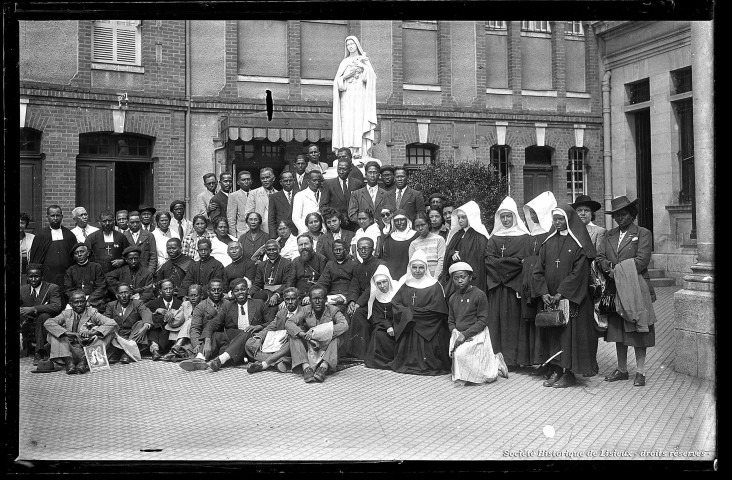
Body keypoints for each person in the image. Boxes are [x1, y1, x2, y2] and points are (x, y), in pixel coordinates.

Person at [532, 205, 597, 388]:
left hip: (570, 299)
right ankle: (557, 370)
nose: (558, 222)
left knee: (569, 336)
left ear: (568, 220)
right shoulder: (548, 243)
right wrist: (544, 292)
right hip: (550, 299)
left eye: (561, 219)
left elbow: (579, 273)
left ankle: (569, 373)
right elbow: (538, 270)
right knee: (554, 334)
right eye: (555, 219)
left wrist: (561, 293)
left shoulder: (578, 244)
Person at [596, 196, 656, 387]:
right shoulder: (609, 235)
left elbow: (642, 260)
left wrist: (617, 271)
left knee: (638, 328)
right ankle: (622, 369)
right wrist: (608, 268)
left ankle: (640, 371)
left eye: (623, 214)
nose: (620, 218)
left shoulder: (643, 233)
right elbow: (600, 257)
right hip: (615, 288)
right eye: (616, 215)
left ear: (632, 214)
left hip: (636, 287)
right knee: (618, 330)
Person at [484, 196, 529, 368]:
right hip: (498, 288)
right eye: (502, 216)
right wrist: (512, 263)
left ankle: (514, 359)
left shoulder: (524, 237)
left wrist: (503, 265)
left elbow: (523, 261)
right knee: (496, 322)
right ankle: (496, 357)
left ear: (515, 217)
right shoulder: (494, 238)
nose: (505, 219)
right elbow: (488, 260)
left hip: (513, 288)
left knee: (513, 323)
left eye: (509, 216)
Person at [389, 249, 451, 376]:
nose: (417, 271)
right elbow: (395, 303)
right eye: (414, 267)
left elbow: (437, 310)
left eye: (421, 268)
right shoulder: (406, 284)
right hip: (410, 324)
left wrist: (412, 314)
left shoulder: (434, 285)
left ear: (426, 268)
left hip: (429, 327)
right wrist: (407, 313)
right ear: (410, 268)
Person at [447, 262, 508, 384]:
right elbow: (451, 320)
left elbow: (483, 321)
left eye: (463, 277)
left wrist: (466, 335)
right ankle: (491, 360)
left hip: (477, 334)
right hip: (459, 335)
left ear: (470, 277)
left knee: (463, 356)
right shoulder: (453, 298)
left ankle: (496, 362)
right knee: (460, 360)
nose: (460, 281)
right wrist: (455, 332)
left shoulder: (479, 295)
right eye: (456, 278)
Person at [520, 191, 558, 376]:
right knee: (537, 324)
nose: (533, 216)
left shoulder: (551, 232)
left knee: (548, 324)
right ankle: (542, 362)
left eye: (536, 212)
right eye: (531, 213)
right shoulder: (532, 232)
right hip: (531, 285)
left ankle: (552, 363)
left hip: (545, 285)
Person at [195, 278, 268, 372]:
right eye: (236, 290)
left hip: (252, 338)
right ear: (232, 293)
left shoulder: (258, 304)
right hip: (234, 339)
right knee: (216, 335)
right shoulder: (229, 306)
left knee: (246, 333)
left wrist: (259, 326)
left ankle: (220, 360)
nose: (240, 292)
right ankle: (199, 358)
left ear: (248, 290)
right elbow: (212, 324)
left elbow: (272, 322)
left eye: (243, 289)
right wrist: (208, 341)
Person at [570, 194, 606, 377]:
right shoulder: (570, 230)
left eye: (586, 211)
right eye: (579, 211)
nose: (583, 214)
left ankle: (591, 362)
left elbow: (599, 257)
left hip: (590, 283)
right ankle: (576, 361)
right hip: (573, 282)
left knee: (590, 325)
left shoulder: (598, 232)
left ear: (592, 214)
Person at [286, 284, 349, 383]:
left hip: (326, 346)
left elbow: (344, 325)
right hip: (311, 345)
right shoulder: (305, 310)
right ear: (310, 300)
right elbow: (289, 323)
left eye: (320, 298)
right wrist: (304, 335)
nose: (317, 302)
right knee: (293, 336)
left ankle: (323, 367)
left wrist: (319, 333)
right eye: (314, 299)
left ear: (325, 300)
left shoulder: (333, 310)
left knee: (338, 337)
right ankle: (306, 368)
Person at [44, 291, 118, 374]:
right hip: (69, 351)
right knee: (53, 334)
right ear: (71, 304)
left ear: (86, 302)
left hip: (89, 351)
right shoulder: (66, 314)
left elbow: (112, 323)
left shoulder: (92, 312)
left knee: (109, 333)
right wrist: (67, 333)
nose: (79, 304)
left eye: (82, 301)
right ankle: (69, 363)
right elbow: (48, 323)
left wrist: (93, 332)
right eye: (76, 302)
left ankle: (84, 363)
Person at [332, 35, 377, 160]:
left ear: (357, 45)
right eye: (348, 45)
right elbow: (337, 83)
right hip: (347, 98)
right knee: (348, 122)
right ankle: (348, 151)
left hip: (360, 96)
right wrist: (347, 76)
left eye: (352, 44)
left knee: (359, 121)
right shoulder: (344, 62)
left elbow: (372, 78)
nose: (350, 46)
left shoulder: (364, 60)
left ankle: (361, 151)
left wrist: (363, 66)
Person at [345, 237, 385, 360]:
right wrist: (351, 301)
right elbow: (354, 286)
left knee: (358, 314)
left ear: (372, 249)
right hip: (363, 301)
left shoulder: (380, 265)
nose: (363, 251)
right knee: (348, 312)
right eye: (360, 249)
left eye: (366, 248)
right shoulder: (358, 267)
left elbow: (373, 287)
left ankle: (362, 353)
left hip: (378, 300)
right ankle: (351, 351)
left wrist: (358, 303)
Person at [244, 287, 298, 374]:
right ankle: (279, 361)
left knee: (293, 341)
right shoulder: (281, 313)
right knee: (250, 343)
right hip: (276, 344)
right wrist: (259, 338)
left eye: (293, 299)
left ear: (298, 299)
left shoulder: (303, 312)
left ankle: (264, 364)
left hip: (290, 345)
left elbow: (304, 330)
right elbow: (270, 327)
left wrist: (290, 334)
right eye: (287, 299)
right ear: (284, 300)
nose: (290, 302)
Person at [443, 201, 490, 298]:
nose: (460, 220)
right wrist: (452, 253)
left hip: (473, 277)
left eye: (463, 217)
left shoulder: (479, 237)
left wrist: (462, 254)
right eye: (459, 217)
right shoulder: (457, 234)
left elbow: (478, 258)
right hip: (457, 278)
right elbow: (448, 252)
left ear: (470, 217)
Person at [29, 205, 78, 297]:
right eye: (52, 216)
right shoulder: (40, 236)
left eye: (58, 215)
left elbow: (74, 257)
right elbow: (35, 260)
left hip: (66, 276)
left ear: (62, 217)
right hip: (48, 277)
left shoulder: (69, 235)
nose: (55, 218)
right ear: (47, 217)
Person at [20, 264, 64, 364]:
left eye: (36, 276)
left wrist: (34, 309)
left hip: (47, 320)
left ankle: (39, 352)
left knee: (43, 316)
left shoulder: (52, 288)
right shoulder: (22, 290)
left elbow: (56, 306)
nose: (33, 279)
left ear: (42, 276)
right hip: (29, 320)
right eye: (30, 276)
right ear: (27, 277)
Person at [363, 265, 402, 370]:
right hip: (385, 326)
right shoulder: (377, 296)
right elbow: (377, 317)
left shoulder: (398, 291)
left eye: (384, 282)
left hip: (399, 324)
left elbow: (403, 312)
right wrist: (388, 326)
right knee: (378, 333)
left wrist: (394, 325)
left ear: (389, 280)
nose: (382, 286)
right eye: (378, 283)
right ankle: (382, 360)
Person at [103, 283, 154, 364]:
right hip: (117, 334)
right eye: (121, 293)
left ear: (130, 294)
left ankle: (125, 353)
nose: (124, 295)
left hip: (132, 335)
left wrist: (145, 327)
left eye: (126, 292)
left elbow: (146, 313)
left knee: (141, 323)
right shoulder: (111, 305)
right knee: (109, 325)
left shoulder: (137, 303)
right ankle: (122, 352)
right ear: (117, 295)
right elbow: (105, 320)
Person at [183, 279, 228, 365]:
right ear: (208, 291)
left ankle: (200, 358)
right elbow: (195, 328)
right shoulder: (201, 306)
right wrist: (196, 344)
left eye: (219, 290)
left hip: (222, 338)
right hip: (205, 338)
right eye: (213, 290)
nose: (216, 292)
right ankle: (201, 358)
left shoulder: (227, 304)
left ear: (222, 291)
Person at [249, 240, 294, 321]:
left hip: (279, 296)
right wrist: (249, 294)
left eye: (274, 249)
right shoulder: (262, 265)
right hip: (265, 295)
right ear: (265, 251)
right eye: (269, 250)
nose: (271, 252)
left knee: (272, 313)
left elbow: (287, 283)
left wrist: (276, 294)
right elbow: (257, 284)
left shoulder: (287, 264)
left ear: (279, 250)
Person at [161, 283, 203, 362]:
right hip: (184, 334)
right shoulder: (185, 304)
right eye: (191, 295)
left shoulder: (204, 305)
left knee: (191, 320)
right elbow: (178, 314)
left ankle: (176, 348)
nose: (193, 298)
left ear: (201, 296)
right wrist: (169, 313)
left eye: (195, 295)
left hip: (198, 332)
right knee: (187, 322)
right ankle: (176, 351)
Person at [144, 279, 184, 360]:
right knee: (152, 328)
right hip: (157, 332)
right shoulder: (153, 303)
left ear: (174, 289)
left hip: (172, 333)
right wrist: (159, 311)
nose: (168, 291)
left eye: (170, 288)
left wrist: (165, 317)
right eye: (165, 289)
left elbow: (181, 318)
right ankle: (155, 350)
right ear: (160, 291)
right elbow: (148, 317)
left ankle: (160, 350)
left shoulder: (180, 304)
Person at [320, 158, 364, 232]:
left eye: (344, 169)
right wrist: (338, 216)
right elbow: (323, 206)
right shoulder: (329, 184)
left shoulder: (357, 183)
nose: (341, 171)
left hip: (354, 225)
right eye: (339, 169)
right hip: (336, 225)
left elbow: (361, 204)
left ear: (350, 170)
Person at [348, 161, 393, 230]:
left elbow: (389, 213)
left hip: (380, 230)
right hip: (362, 230)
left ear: (379, 175)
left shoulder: (386, 194)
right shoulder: (356, 194)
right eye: (370, 172)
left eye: (375, 172)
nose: (372, 175)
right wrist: (366, 221)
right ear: (365, 174)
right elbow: (352, 214)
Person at [316, 239, 356, 313]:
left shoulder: (354, 265)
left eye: (340, 250)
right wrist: (315, 293)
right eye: (335, 250)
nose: (337, 252)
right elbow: (322, 282)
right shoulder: (330, 265)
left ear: (346, 250)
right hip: (332, 297)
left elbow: (355, 286)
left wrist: (346, 298)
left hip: (348, 298)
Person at [64, 243, 108, 310]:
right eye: (76, 253)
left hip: (95, 300)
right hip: (77, 301)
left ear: (87, 253)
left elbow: (101, 287)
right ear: (73, 257)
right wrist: (79, 300)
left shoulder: (96, 267)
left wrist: (89, 301)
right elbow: (68, 290)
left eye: (82, 252)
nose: (79, 255)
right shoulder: (70, 271)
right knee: (68, 314)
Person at [86, 209, 130, 275]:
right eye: (104, 221)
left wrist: (123, 261)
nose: (107, 223)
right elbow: (86, 255)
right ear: (99, 222)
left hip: (117, 274)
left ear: (114, 221)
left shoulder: (121, 237)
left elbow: (129, 254)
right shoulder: (92, 237)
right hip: (97, 274)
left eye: (110, 221)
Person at [288, 233, 328, 304]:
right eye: (300, 245)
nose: (303, 247)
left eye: (306, 244)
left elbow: (323, 281)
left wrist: (310, 295)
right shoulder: (295, 261)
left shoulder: (321, 259)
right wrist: (287, 297)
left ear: (312, 244)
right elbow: (291, 281)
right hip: (298, 296)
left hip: (315, 296)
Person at [380, 209, 419, 279]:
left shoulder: (416, 236)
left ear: (407, 220)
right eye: (396, 220)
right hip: (394, 277)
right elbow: (386, 261)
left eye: (402, 220)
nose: (399, 222)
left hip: (413, 275)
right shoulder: (389, 239)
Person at [409, 212, 446, 279]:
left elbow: (441, 261)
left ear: (428, 224)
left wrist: (435, 278)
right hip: (420, 278)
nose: (420, 228)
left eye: (423, 225)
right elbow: (412, 264)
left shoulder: (439, 239)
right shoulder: (413, 244)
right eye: (417, 226)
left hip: (437, 277)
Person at [245, 167, 279, 234]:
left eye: (267, 177)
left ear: (273, 178)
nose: (265, 180)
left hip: (275, 231)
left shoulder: (278, 194)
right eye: (262, 178)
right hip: (260, 231)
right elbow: (248, 215)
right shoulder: (254, 193)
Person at [291, 170, 323, 236]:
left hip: (322, 231)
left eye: (319, 180)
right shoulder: (300, 195)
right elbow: (296, 217)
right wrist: (305, 230)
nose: (317, 183)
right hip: (306, 232)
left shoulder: (323, 194)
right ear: (308, 181)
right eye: (314, 180)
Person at [268, 170, 297, 239]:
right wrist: (273, 237)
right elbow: (271, 219)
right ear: (281, 182)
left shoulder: (300, 194)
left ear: (294, 180)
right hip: (282, 233)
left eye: (290, 180)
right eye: (285, 181)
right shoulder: (274, 197)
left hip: (297, 232)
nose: (288, 183)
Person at [228, 170, 254, 238]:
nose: (246, 182)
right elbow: (231, 219)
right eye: (243, 180)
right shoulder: (233, 196)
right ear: (238, 182)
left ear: (251, 181)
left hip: (255, 232)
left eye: (248, 179)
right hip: (241, 233)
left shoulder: (255, 194)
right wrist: (234, 237)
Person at [20, 212, 35, 282]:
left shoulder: (32, 238)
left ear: (26, 225)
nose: (20, 225)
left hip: (26, 271)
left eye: (22, 223)